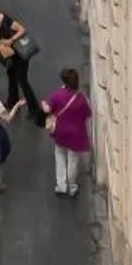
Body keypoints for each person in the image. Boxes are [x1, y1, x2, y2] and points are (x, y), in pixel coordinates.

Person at [0, 6, 45, 127]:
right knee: (11, 75)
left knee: (23, 82)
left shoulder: (7, 21)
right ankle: (12, 100)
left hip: (20, 57)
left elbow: (22, 30)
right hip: (13, 56)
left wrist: (10, 40)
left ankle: (35, 111)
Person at [47, 68, 93, 196]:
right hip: (75, 135)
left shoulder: (58, 95)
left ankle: (61, 185)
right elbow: (88, 115)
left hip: (60, 133)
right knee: (73, 160)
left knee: (60, 157)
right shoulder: (82, 99)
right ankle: (72, 186)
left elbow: (49, 109)